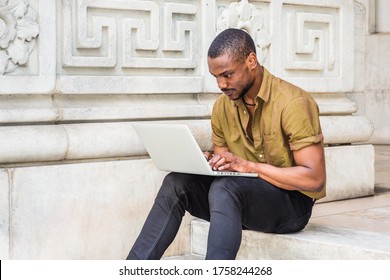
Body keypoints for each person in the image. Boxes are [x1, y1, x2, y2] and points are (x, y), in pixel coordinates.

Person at [126, 28, 326, 260]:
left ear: (251, 60)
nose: (221, 84)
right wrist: (209, 162)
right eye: (216, 77)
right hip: (240, 198)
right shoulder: (222, 107)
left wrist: (250, 167)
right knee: (176, 182)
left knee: (226, 188)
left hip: (291, 206)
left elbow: (314, 179)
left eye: (228, 75)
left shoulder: (293, 103)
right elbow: (225, 170)